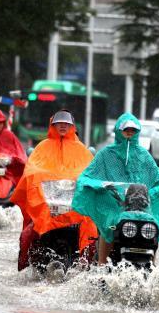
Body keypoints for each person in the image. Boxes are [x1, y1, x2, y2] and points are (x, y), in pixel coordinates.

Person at [72, 113, 159, 265]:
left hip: (141, 206)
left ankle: (152, 264)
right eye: (126, 129)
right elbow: (86, 176)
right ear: (119, 130)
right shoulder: (106, 154)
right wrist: (101, 185)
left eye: (132, 129)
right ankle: (102, 265)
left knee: (153, 230)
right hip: (114, 206)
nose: (129, 132)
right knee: (108, 228)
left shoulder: (143, 154)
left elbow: (158, 178)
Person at [11, 110, 97, 271]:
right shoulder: (42, 147)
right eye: (59, 123)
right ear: (53, 125)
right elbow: (31, 170)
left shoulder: (81, 150)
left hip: (74, 205)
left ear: (72, 126)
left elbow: (91, 173)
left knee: (93, 231)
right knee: (27, 235)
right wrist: (42, 177)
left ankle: (90, 265)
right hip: (47, 203)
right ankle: (24, 265)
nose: (63, 126)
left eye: (66, 123)